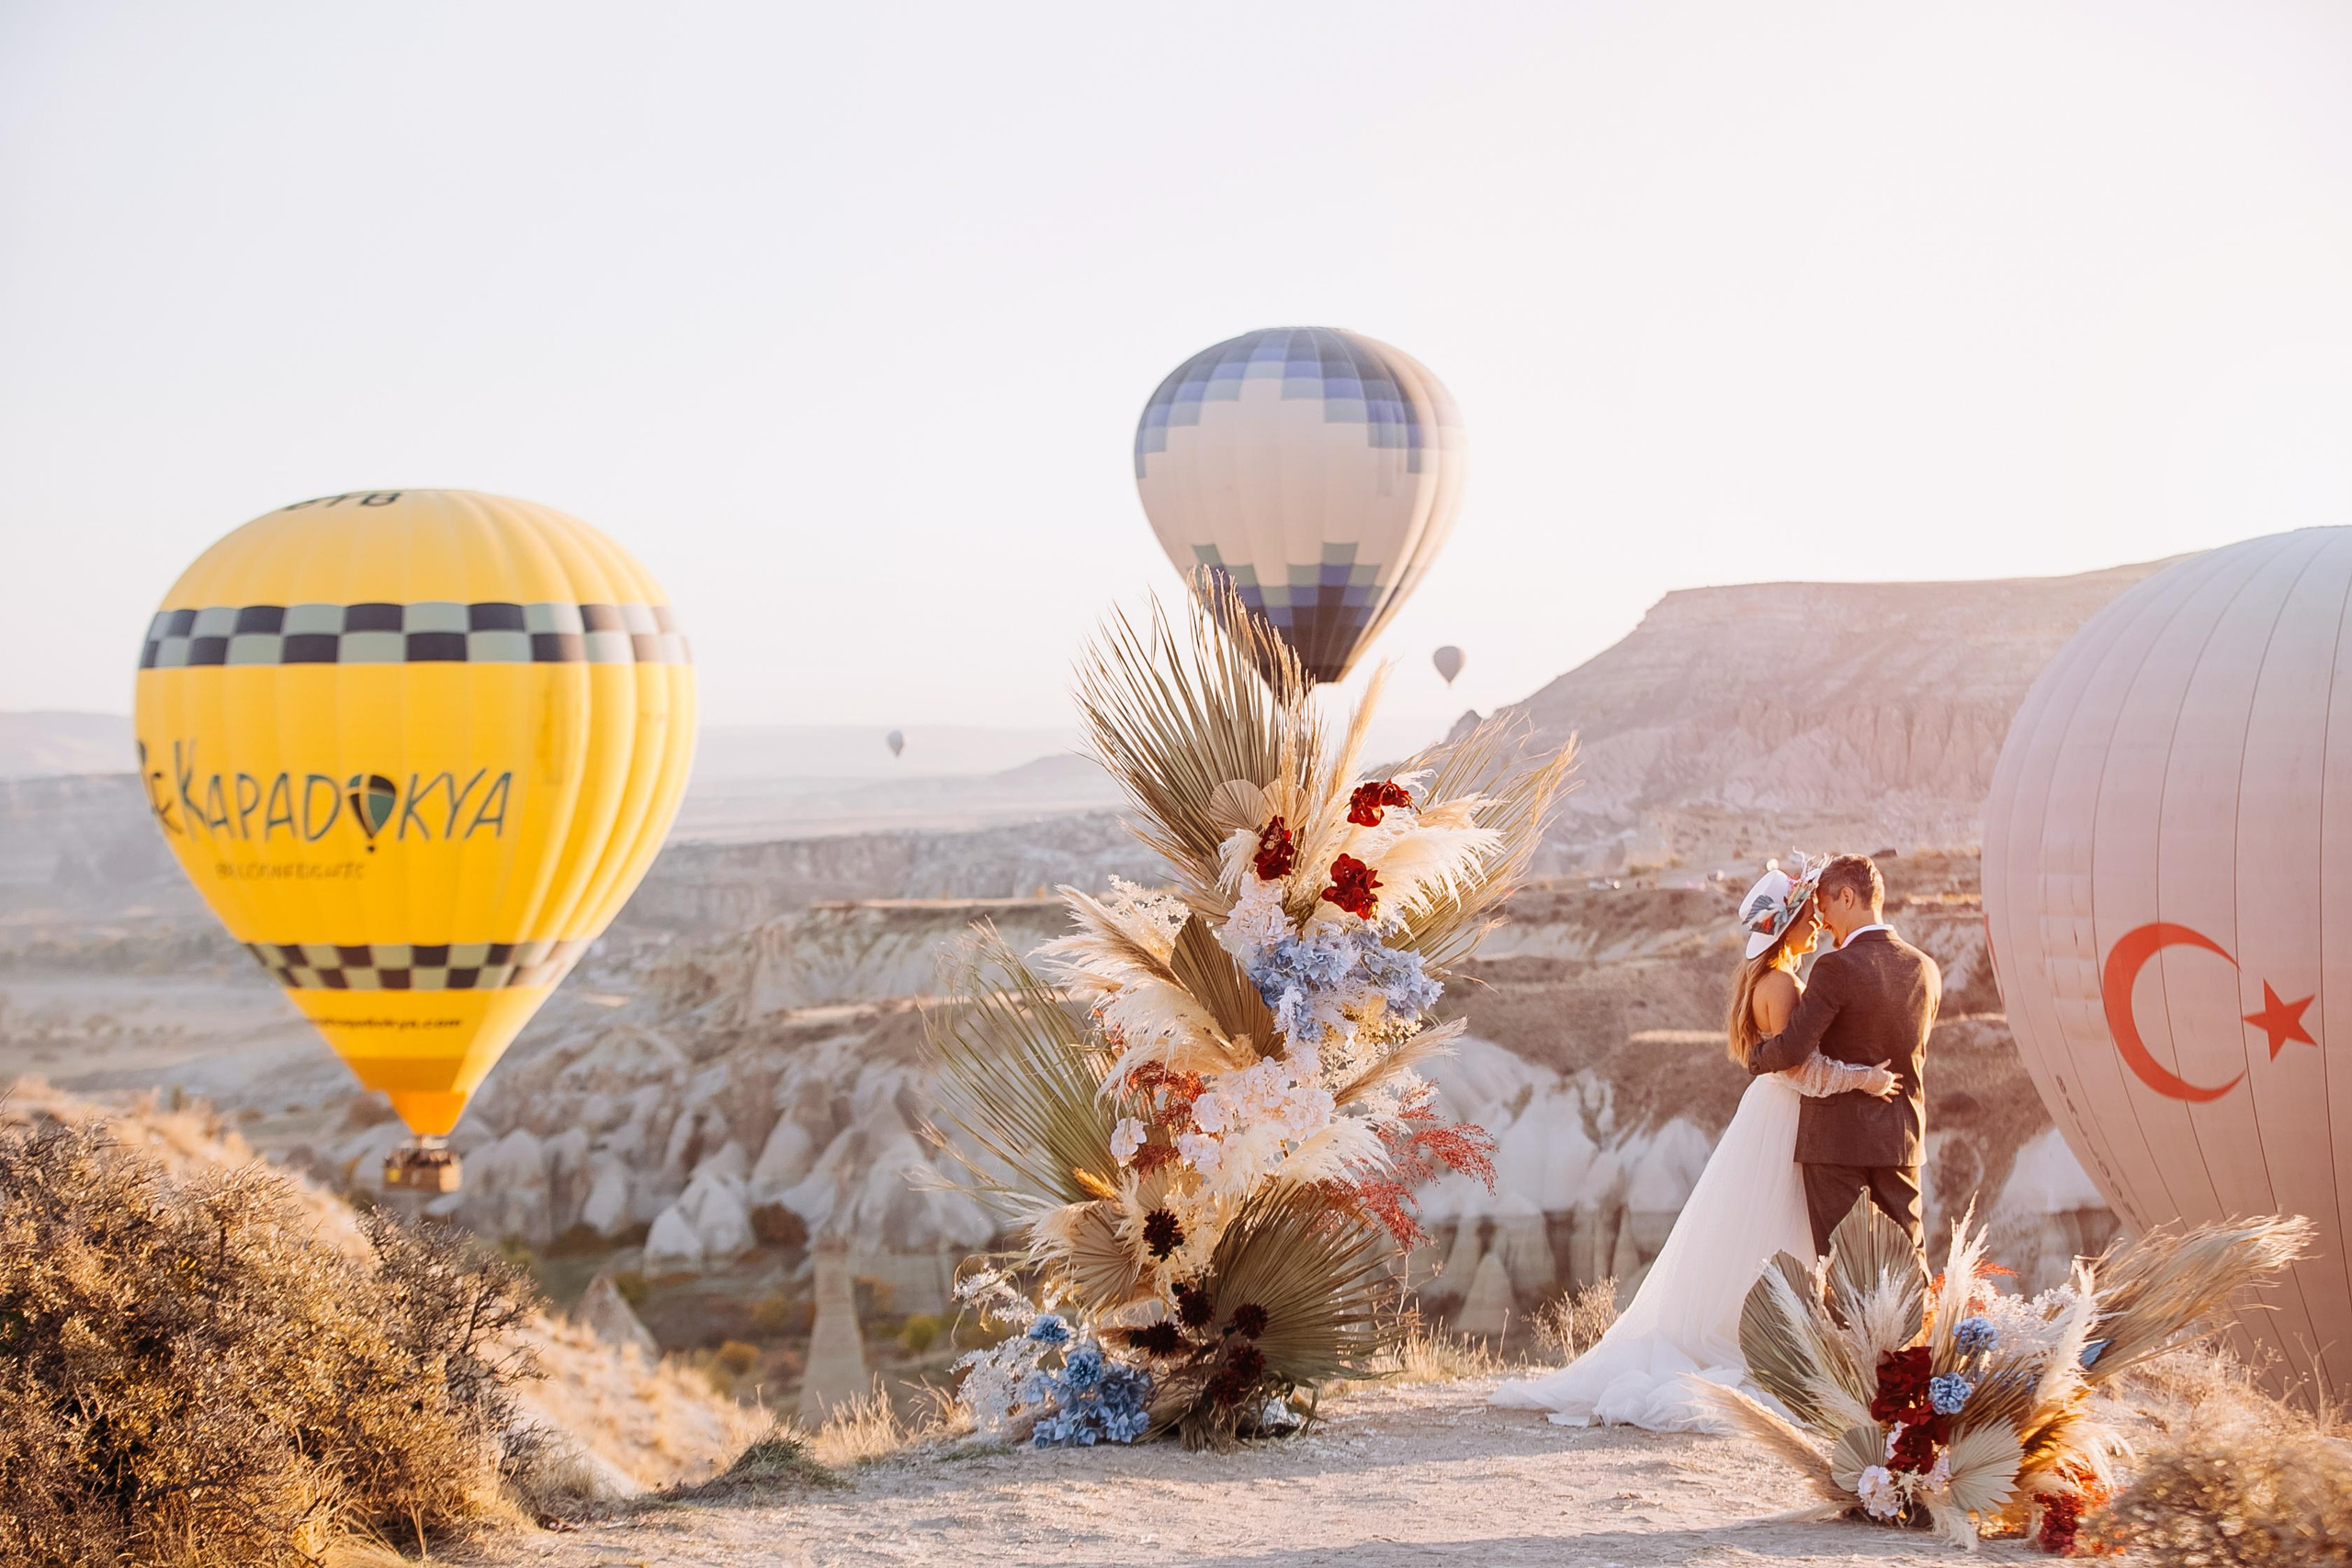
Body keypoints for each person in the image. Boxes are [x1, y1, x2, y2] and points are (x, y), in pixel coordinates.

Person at [1490, 855, 1899, 1429]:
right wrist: (1866, 1078)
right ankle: (1768, 1344)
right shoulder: (1781, 984)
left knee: (1765, 1234)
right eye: (1808, 915)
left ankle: (1782, 1340)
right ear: (1787, 924)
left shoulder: (1770, 978)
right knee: (1777, 1231)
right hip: (1785, 1116)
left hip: (1776, 1116)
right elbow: (1798, 1072)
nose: (1817, 924)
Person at [1746, 852, 1939, 1253]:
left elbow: (1794, 1050)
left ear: (1848, 897)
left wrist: (1757, 1057)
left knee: (1843, 1271)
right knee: (1907, 1267)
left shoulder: (1835, 968)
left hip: (1835, 1146)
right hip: (1900, 1141)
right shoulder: (1926, 969)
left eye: (1825, 904)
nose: (1822, 917)